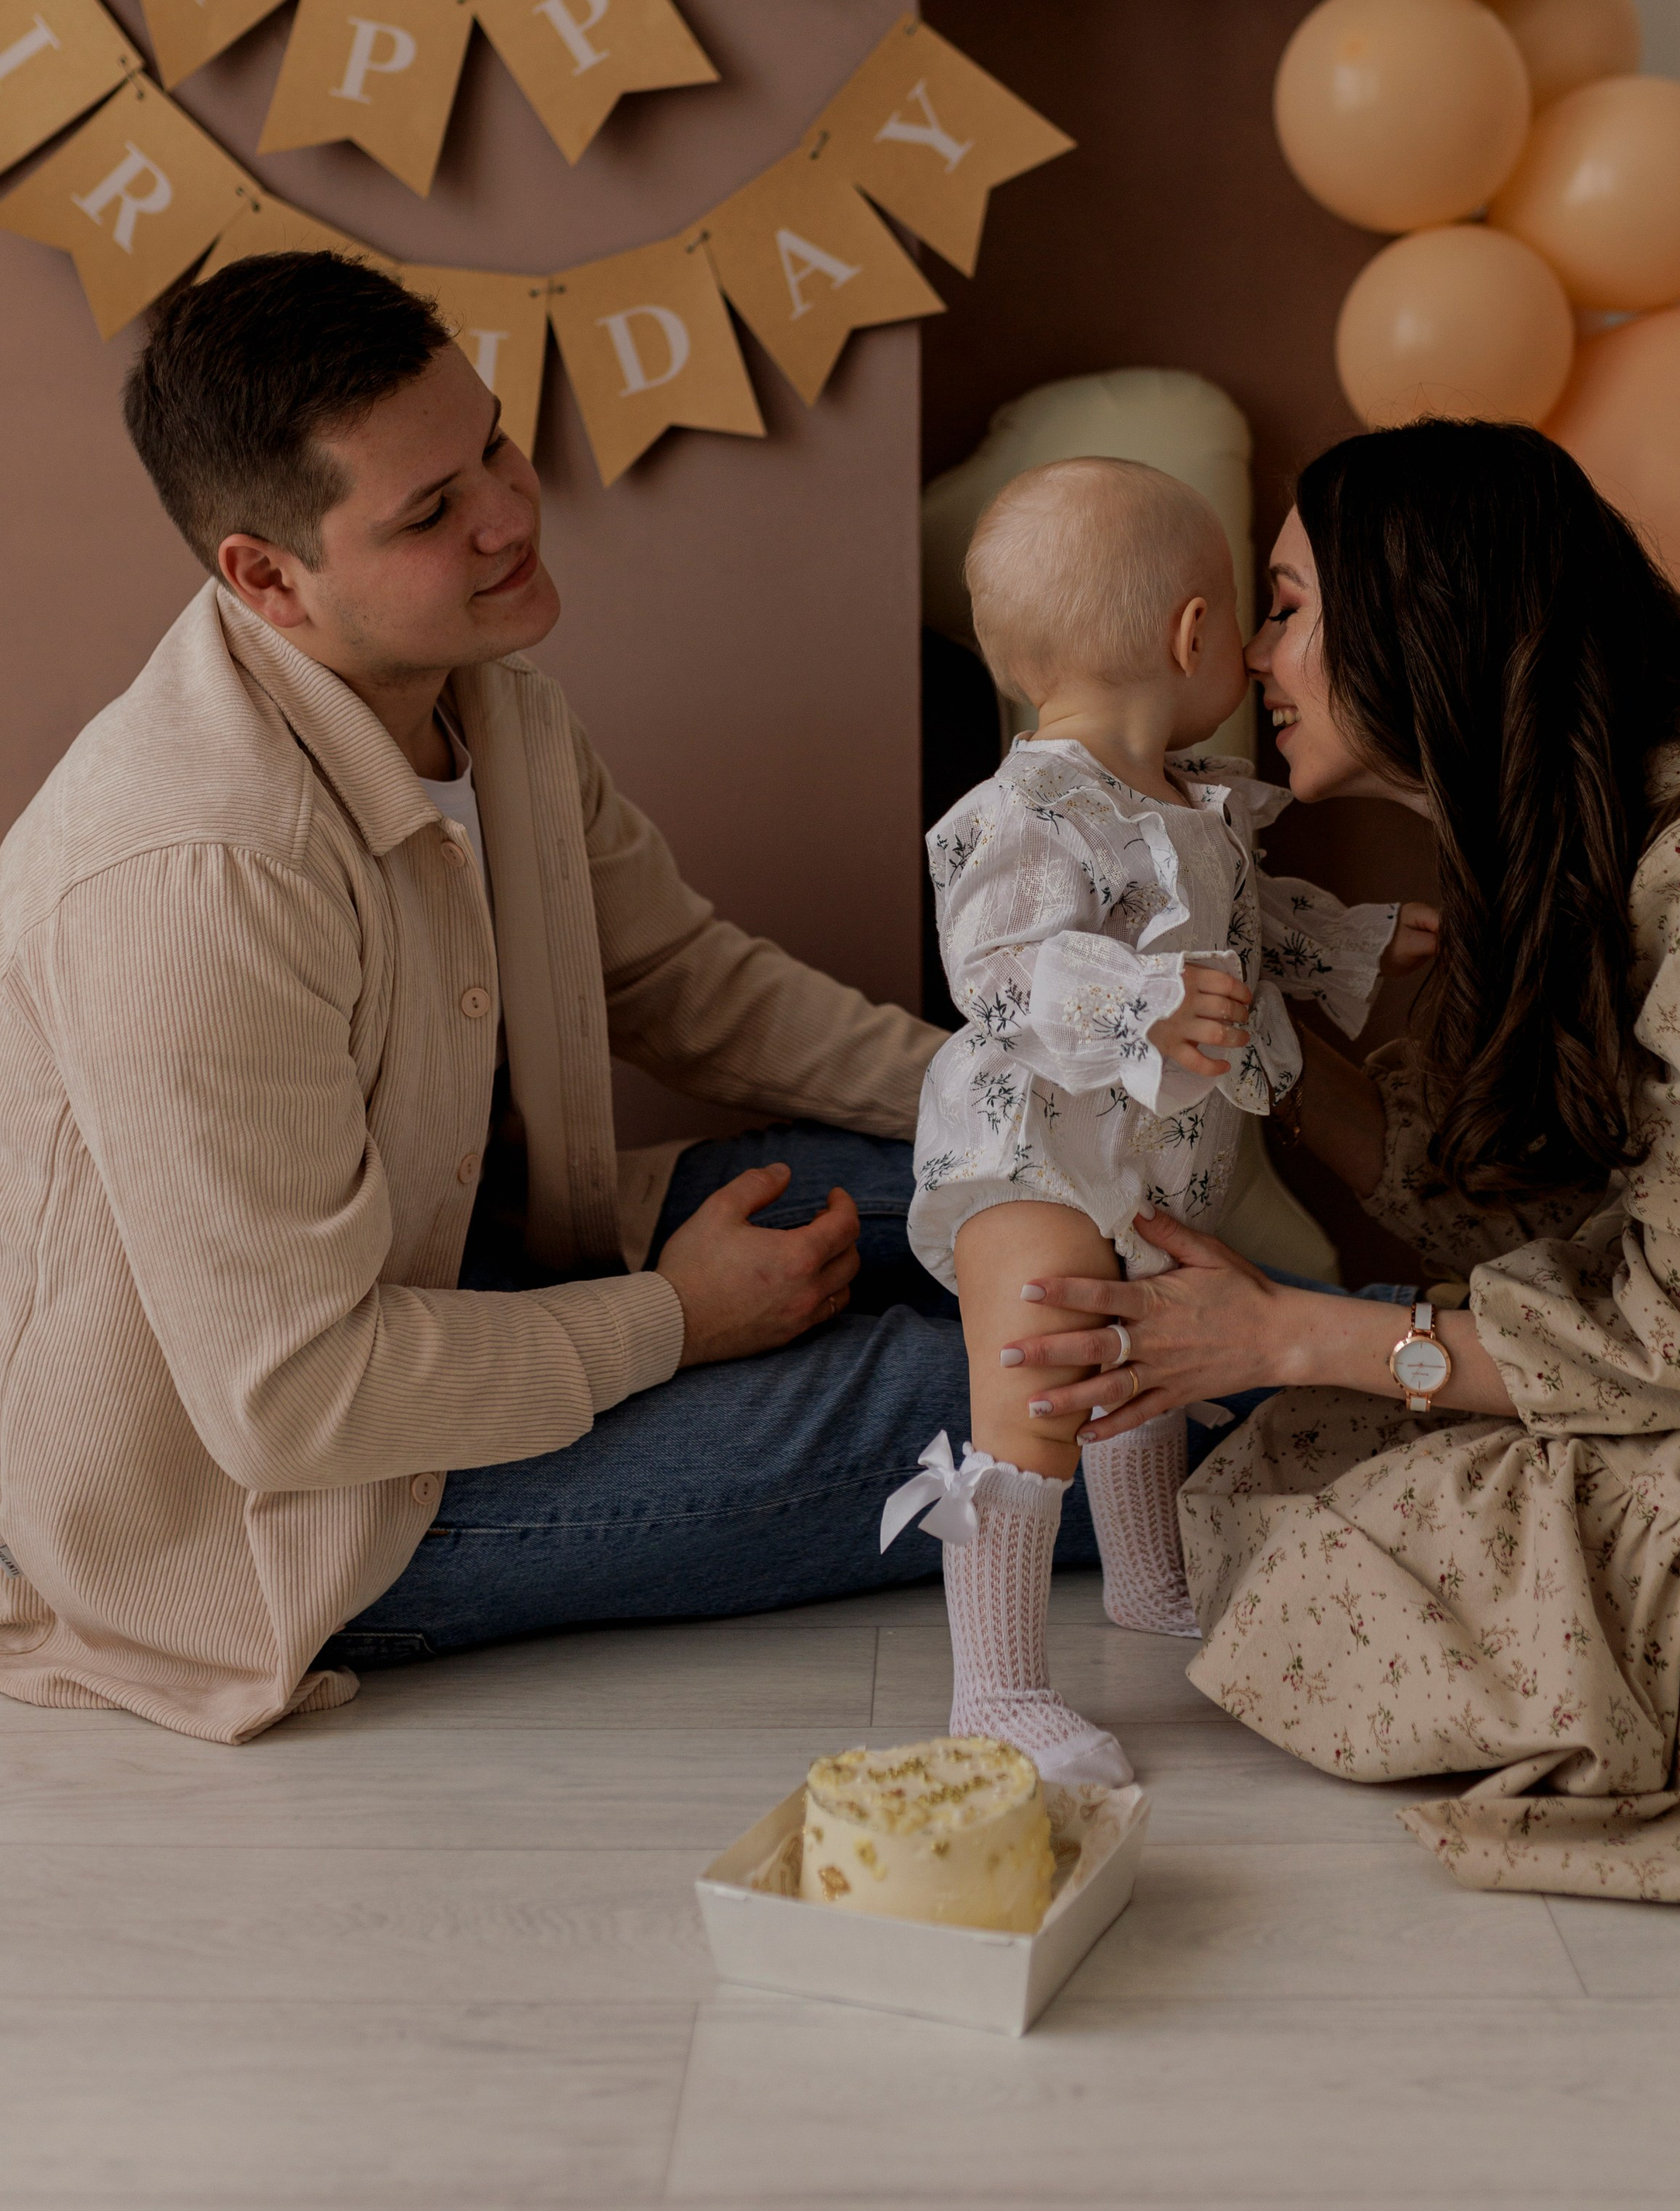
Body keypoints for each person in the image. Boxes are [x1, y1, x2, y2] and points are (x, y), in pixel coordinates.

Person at [0, 249, 1098, 1745]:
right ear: (266, 576)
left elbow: (684, 983)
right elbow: (294, 1399)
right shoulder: (197, 867)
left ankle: (1371, 1341)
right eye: (431, 512)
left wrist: (1021, 1100)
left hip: (472, 1285)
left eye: (495, 448)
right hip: (291, 1511)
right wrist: (669, 1319)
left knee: (1017, 1197)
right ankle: (1412, 1389)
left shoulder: (489, 695)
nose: (511, 514)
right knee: (977, 1395)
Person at [1001, 419, 1680, 1925]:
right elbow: (1538, 1203)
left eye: (1284, 603)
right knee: (1312, 1463)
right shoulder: (1564, 824)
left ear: (1411, 610)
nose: (1260, 657)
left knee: (1395, 1519)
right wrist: (1233, 997)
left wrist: (1287, 1329)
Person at [881, 457, 1435, 1785]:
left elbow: (1236, 930)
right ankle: (998, 1685)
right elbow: (996, 966)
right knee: (1048, 1366)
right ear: (1192, 634)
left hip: (1149, 1157)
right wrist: (1137, 995)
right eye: (1240, 616)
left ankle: (1148, 1581)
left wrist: (1350, 938)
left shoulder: (1199, 799)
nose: (1249, 647)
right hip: (1033, 1148)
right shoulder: (1026, 807)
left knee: (1141, 1358)